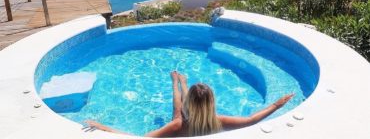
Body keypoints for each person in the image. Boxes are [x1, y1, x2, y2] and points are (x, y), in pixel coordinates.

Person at [86, 71, 293, 137]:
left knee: (178, 110)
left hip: (182, 126)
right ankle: (181, 82)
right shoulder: (218, 120)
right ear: (212, 102)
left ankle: (176, 82)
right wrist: (276, 105)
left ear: (191, 104)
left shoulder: (178, 124)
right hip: (196, 121)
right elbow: (250, 120)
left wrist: (104, 128)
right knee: (180, 109)